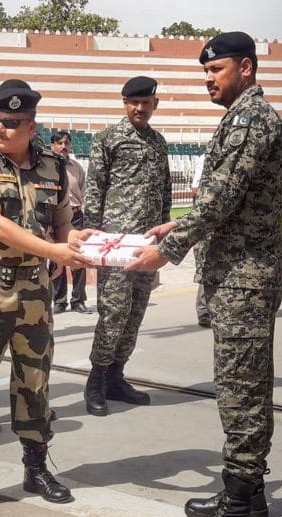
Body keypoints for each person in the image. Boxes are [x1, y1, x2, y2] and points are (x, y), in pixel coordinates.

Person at [126, 32, 282, 517]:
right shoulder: (242, 118)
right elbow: (233, 201)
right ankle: (248, 496)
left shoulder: (250, 120)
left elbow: (219, 201)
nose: (208, 80)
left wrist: (167, 251)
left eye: (215, 71)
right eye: (205, 72)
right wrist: (177, 224)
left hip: (245, 278)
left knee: (241, 391)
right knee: (240, 386)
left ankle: (238, 503)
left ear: (246, 68)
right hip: (237, 274)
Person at [0, 79, 93, 517]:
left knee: (34, 383)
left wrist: (81, 242)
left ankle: (35, 469)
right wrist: (54, 251)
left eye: (10, 123)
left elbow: (63, 224)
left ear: (31, 126)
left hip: (34, 290)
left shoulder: (53, 167)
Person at [82, 75, 172, 417]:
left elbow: (165, 191)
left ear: (154, 105)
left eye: (145, 103)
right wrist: (94, 236)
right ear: (124, 103)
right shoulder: (108, 139)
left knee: (135, 314)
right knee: (113, 313)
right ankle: (96, 380)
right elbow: (95, 189)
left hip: (146, 245)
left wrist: (163, 237)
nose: (139, 108)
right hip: (116, 243)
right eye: (133, 102)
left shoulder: (158, 143)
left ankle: (117, 377)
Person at [48, 131, 91, 314]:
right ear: (52, 146)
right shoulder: (47, 167)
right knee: (57, 258)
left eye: (66, 143)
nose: (63, 146)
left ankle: (78, 300)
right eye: (59, 143)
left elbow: (84, 190)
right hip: (55, 217)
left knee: (78, 258)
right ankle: (59, 300)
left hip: (75, 215)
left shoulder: (77, 167)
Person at [189, 160, 211, 328]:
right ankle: (203, 311)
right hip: (204, 225)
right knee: (205, 267)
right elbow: (195, 189)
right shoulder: (204, 158)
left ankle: (208, 309)